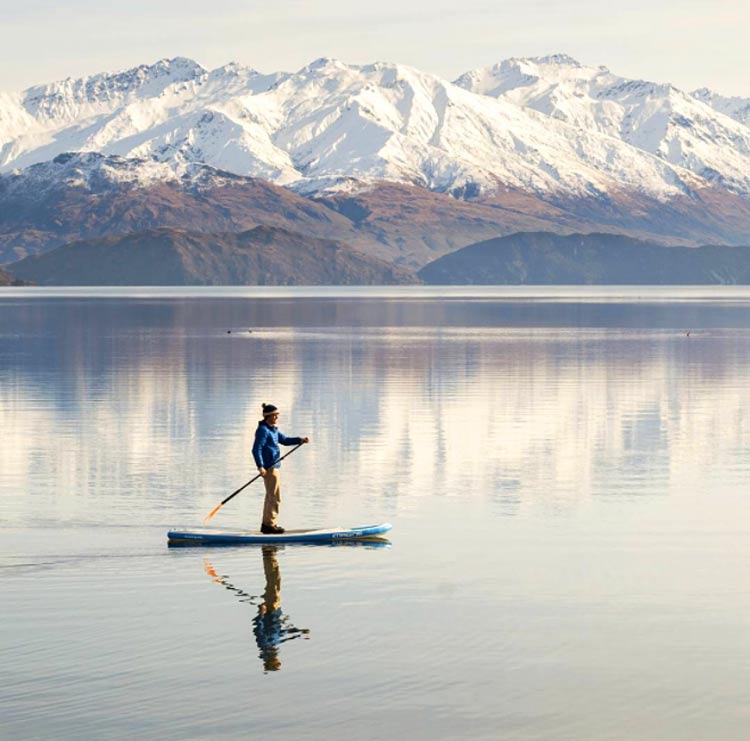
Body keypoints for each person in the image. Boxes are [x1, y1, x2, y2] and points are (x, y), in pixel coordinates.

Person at [252, 403, 309, 534]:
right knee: (274, 497)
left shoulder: (273, 430)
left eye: (277, 415)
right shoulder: (263, 430)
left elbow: (285, 440)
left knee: (271, 496)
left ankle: (267, 524)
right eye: (275, 415)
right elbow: (256, 449)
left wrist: (300, 440)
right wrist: (260, 466)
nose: (277, 417)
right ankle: (269, 525)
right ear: (268, 416)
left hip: (274, 466)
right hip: (269, 468)